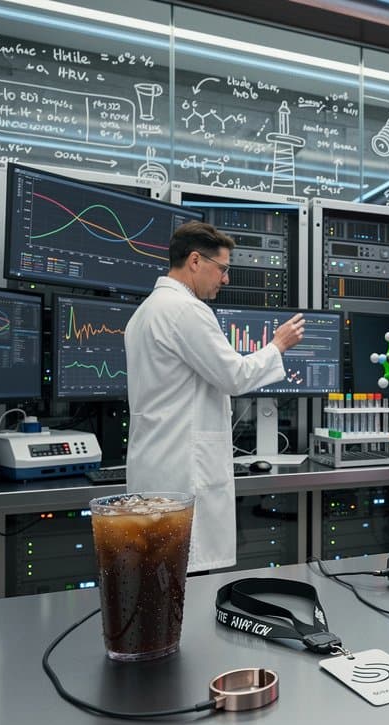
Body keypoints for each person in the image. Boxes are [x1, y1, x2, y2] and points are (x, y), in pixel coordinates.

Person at [125, 221, 305, 572]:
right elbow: (235, 376)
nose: (226, 279)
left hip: (156, 471)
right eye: (222, 268)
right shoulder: (186, 310)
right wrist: (278, 345)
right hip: (184, 475)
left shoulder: (144, 312)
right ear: (195, 261)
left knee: (159, 578)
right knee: (185, 581)